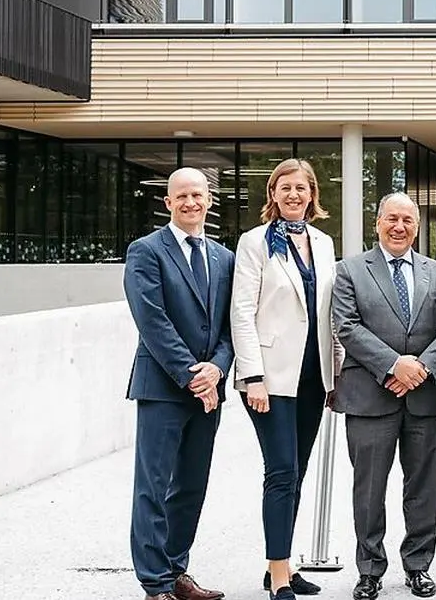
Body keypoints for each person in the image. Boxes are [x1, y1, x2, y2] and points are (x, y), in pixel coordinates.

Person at [331, 192, 436, 600]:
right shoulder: (351, 269)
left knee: (423, 486)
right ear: (377, 223)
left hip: (423, 396)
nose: (399, 226)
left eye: (408, 219)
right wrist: (393, 365)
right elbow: (347, 326)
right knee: (368, 488)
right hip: (370, 395)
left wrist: (419, 369)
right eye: (392, 218)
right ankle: (369, 569)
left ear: (417, 226)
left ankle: (418, 566)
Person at [231, 158, 344, 600]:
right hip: (270, 377)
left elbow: (328, 312)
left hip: (313, 376)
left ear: (313, 195)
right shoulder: (254, 242)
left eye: (302, 188)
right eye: (285, 188)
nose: (294, 195)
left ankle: (280, 561)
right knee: (280, 471)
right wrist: (252, 375)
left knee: (296, 474)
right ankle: (279, 573)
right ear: (273, 195)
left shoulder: (323, 241)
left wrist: (334, 375)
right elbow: (241, 310)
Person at [123, 167, 235, 600]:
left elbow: (230, 324)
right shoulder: (146, 251)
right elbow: (152, 320)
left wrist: (218, 369)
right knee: (153, 485)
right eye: (181, 196)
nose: (191, 202)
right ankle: (154, 583)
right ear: (168, 203)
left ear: (209, 200)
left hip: (209, 387)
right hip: (162, 388)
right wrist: (194, 375)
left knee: (191, 484)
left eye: (198, 195)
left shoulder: (223, 258)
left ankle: (176, 570)